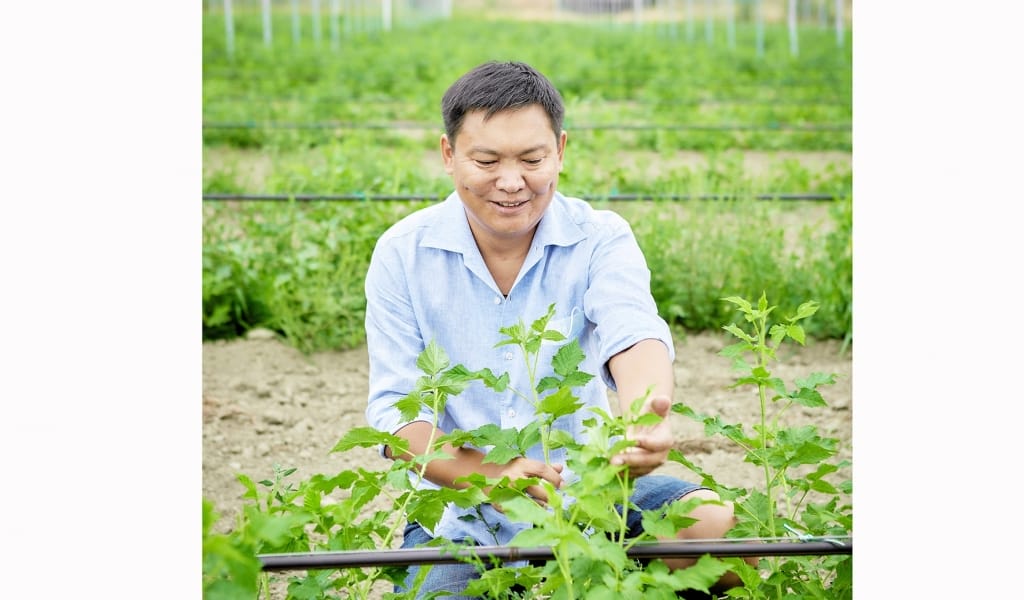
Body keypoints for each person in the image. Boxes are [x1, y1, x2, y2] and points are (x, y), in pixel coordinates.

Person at [364, 60, 746, 598]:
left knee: (720, 532)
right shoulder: (404, 253)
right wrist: (490, 475)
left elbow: (632, 330)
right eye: (486, 160)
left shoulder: (599, 237)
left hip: (592, 495)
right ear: (449, 155)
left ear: (560, 151)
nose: (511, 182)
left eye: (532, 159)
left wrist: (643, 418)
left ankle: (607, 575)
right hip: (464, 517)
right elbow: (397, 416)